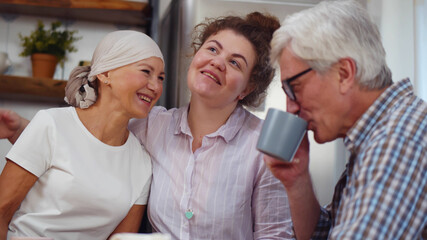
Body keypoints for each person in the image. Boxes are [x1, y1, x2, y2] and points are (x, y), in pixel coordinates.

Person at [0, 12, 293, 240]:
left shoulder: (263, 146)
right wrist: (24, 129)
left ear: (248, 88)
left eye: (235, 63)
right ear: (196, 56)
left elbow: (276, 234)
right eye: (213, 49)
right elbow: (87, 138)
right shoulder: (151, 125)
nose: (218, 62)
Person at [265, 0, 427, 239]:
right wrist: (296, 179)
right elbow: (325, 233)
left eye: (294, 87)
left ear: (344, 74)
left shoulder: (399, 138)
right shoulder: (373, 138)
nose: (291, 108)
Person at [0, 30, 165, 240]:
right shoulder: (51, 125)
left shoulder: (142, 164)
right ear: (105, 74)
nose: (155, 86)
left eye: (161, 78)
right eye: (146, 72)